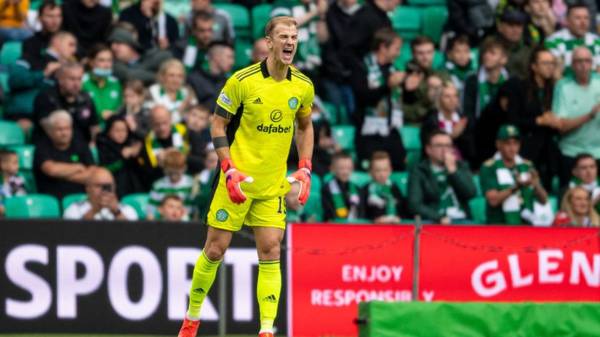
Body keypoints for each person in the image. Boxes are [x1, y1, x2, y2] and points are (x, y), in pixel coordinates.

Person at [177, 16, 315, 337]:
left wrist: (305, 166)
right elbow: (217, 124)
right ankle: (192, 319)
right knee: (215, 249)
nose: (290, 42)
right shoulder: (242, 80)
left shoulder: (303, 86)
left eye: (294, 36)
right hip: (236, 178)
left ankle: (267, 330)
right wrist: (229, 168)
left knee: (270, 250)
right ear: (269, 42)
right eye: (283, 36)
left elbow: (306, 126)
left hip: (271, 184)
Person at [503, 47, 560, 190]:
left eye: (552, 63)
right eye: (545, 63)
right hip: (526, 148)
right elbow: (512, 120)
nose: (550, 67)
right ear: (534, 66)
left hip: (548, 150)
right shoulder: (519, 88)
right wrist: (539, 121)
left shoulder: (556, 89)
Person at [349, 27, 405, 170]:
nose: (399, 54)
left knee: (398, 168)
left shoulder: (394, 68)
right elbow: (363, 97)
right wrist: (387, 85)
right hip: (368, 132)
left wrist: (409, 89)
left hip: (391, 130)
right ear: (383, 47)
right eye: (396, 49)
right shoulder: (361, 67)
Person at [549, 46, 600, 186]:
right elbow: (561, 126)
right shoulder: (563, 86)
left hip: (598, 152)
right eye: (579, 61)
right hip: (571, 152)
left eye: (587, 61)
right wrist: (589, 115)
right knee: (570, 199)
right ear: (571, 65)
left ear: (592, 63)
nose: (583, 65)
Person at [480, 124, 549, 225]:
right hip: (500, 226)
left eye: (516, 143)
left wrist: (536, 183)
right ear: (498, 144)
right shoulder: (489, 167)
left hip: (526, 226)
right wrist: (515, 187)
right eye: (508, 144)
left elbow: (544, 200)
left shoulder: (527, 166)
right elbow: (493, 200)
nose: (512, 148)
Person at [6, 31, 76, 130]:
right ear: (57, 42)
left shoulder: (66, 67)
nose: (74, 50)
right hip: (25, 114)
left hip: (52, 115)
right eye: (71, 44)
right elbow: (14, 80)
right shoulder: (32, 57)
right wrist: (43, 73)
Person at [408, 130, 476, 223]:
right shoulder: (419, 171)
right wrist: (438, 217)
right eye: (439, 145)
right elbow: (414, 205)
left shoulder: (461, 166)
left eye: (448, 146)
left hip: (462, 220)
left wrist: (453, 171)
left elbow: (470, 193)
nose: (444, 150)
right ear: (428, 149)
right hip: (435, 221)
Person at [463, 38, 510, 168]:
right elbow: (468, 113)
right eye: (485, 53)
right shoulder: (472, 79)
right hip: (479, 139)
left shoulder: (511, 82)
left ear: (503, 59)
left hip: (504, 137)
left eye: (492, 53)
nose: (486, 56)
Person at [33, 110, 95, 201]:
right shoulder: (42, 146)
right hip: (52, 200)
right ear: (50, 131)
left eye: (67, 128)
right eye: (59, 129)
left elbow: (92, 173)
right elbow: (51, 170)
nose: (64, 133)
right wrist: (78, 167)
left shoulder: (81, 144)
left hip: (81, 199)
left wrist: (62, 174)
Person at [33, 61, 100, 145]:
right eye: (72, 79)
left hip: (82, 147)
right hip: (52, 147)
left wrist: (94, 143)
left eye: (79, 79)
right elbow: (48, 129)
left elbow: (94, 127)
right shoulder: (46, 98)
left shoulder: (86, 98)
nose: (76, 84)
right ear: (60, 80)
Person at [137, 105, 201, 187]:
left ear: (171, 120)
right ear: (151, 124)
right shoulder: (146, 144)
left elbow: (202, 163)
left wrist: (180, 156)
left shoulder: (187, 133)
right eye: (157, 124)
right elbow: (146, 179)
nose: (162, 128)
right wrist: (160, 165)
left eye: (165, 123)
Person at [421, 82, 475, 164]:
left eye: (455, 96)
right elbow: (428, 147)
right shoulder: (431, 120)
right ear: (439, 99)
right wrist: (451, 136)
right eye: (447, 96)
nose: (452, 100)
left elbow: (471, 150)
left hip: (461, 164)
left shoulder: (464, 120)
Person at [270, 0, 328, 76]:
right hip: (291, 67)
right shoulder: (283, 3)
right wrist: (314, 12)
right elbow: (281, 27)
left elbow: (323, 39)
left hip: (314, 68)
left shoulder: (314, 5)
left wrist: (322, 15)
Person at [402, 36, 450, 126]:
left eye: (429, 52)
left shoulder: (442, 75)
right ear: (413, 54)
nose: (425, 57)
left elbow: (452, 104)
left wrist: (442, 87)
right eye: (420, 53)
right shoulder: (403, 76)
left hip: (439, 127)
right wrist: (426, 101)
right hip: (414, 126)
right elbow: (401, 112)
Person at [544, 3, 600, 76]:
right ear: (567, 20)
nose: (583, 22)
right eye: (578, 18)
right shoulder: (552, 42)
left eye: (586, 18)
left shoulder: (597, 41)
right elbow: (555, 73)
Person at [63, 167, 138, 220]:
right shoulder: (75, 209)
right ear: (88, 188)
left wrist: (116, 212)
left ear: (114, 187)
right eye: (99, 186)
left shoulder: (127, 209)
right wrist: (94, 210)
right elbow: (73, 234)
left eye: (108, 186)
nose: (104, 191)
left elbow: (132, 235)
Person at [96, 115, 143, 198]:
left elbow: (142, 140)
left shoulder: (130, 144)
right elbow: (106, 169)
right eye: (117, 130)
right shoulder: (102, 146)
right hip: (114, 192)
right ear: (109, 131)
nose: (121, 134)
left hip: (133, 190)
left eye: (124, 130)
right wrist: (122, 157)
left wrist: (137, 147)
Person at [188, 42, 234, 112]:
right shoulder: (194, 79)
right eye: (229, 57)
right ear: (217, 57)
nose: (232, 62)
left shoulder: (228, 82)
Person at [148, 149, 194, 219]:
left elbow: (193, 209)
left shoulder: (191, 184)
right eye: (170, 172)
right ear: (164, 168)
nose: (173, 176)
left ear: (184, 168)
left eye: (177, 172)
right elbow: (150, 212)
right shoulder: (158, 186)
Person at [82, 44, 123, 124]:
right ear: (91, 62)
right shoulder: (82, 81)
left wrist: (114, 115)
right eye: (101, 60)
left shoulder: (116, 83)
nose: (107, 65)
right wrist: (99, 114)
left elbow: (120, 108)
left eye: (109, 60)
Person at [149, 59, 198, 124]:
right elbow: (161, 121)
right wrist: (183, 107)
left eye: (180, 76)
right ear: (162, 77)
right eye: (171, 75)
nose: (176, 80)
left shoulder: (187, 93)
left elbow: (195, 120)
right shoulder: (153, 91)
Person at [362, 151, 405, 223]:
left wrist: (398, 218)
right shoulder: (365, 189)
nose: (382, 174)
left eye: (385, 170)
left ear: (390, 170)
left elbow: (402, 209)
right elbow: (362, 214)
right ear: (370, 172)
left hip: (394, 228)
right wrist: (374, 220)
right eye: (378, 170)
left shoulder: (394, 187)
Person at [321, 151, 362, 222]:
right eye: (341, 168)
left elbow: (361, 212)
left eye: (349, 168)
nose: (345, 172)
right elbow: (330, 213)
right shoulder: (327, 188)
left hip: (355, 226)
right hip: (334, 226)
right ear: (332, 169)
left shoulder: (357, 188)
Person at [493, 8, 534, 79]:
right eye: (511, 25)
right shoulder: (491, 47)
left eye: (519, 25)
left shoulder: (530, 47)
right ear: (500, 27)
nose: (515, 30)